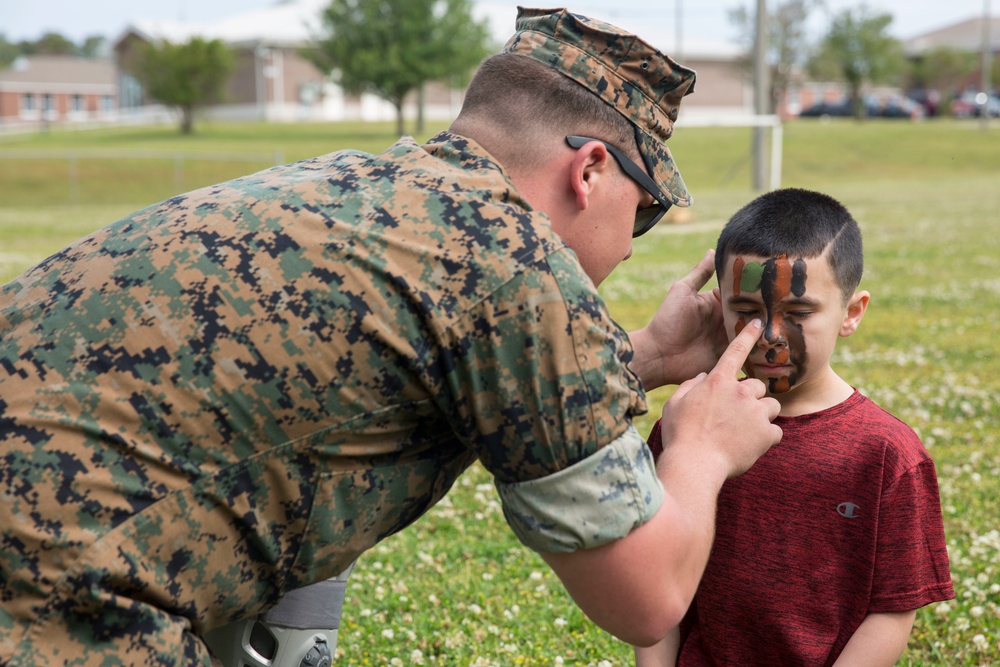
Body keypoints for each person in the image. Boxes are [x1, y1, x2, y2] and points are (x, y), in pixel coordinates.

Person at [0, 8, 781, 666]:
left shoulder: (348, 185)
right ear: (591, 170)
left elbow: (452, 369)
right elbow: (645, 598)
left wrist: (650, 355)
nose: (635, 241)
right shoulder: (515, 264)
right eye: (644, 209)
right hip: (56, 589)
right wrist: (705, 447)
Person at [635, 188, 955, 667]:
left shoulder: (886, 452)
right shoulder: (687, 425)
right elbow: (655, 582)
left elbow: (892, 610)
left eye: (799, 313)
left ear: (851, 313)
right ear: (716, 305)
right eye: (745, 310)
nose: (769, 335)